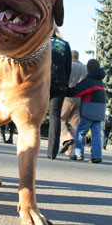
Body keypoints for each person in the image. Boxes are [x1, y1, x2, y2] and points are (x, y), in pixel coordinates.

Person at [67, 59, 106, 163]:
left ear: (88, 68)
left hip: (89, 110)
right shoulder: (100, 81)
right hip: (100, 111)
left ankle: (78, 154)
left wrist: (65, 91)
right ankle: (96, 156)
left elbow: (77, 91)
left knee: (81, 132)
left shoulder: (90, 80)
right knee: (96, 134)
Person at [47, 27, 72, 159]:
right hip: (60, 83)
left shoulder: (43, 41)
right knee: (55, 116)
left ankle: (30, 147)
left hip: (43, 82)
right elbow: (68, 67)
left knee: (34, 115)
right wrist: (65, 83)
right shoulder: (65, 45)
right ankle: (52, 153)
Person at [59, 50, 87, 155]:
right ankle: (70, 152)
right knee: (74, 125)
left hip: (67, 97)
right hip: (80, 99)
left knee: (59, 119)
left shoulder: (68, 66)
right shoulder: (84, 68)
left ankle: (66, 137)